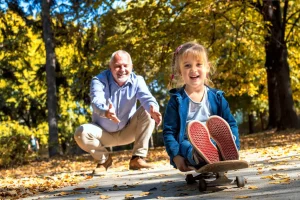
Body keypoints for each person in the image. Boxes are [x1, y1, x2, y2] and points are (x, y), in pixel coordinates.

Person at [74, 50, 162, 175]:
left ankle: (137, 158)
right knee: (80, 132)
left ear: (131, 67)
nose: (122, 69)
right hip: (103, 133)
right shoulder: (99, 80)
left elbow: (147, 98)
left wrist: (153, 107)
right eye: (117, 66)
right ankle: (104, 160)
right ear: (110, 68)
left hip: (128, 130)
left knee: (148, 111)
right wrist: (106, 111)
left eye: (125, 66)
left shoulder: (138, 80)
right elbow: (96, 101)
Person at [163, 42, 240, 172]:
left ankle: (224, 153)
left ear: (207, 68)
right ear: (180, 71)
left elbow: (230, 123)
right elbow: (169, 131)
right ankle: (198, 156)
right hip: (188, 142)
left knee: (218, 143)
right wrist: (175, 156)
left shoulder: (217, 97)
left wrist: (235, 145)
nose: (193, 70)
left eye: (198, 64)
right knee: (186, 146)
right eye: (187, 66)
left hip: (214, 138)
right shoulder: (177, 100)